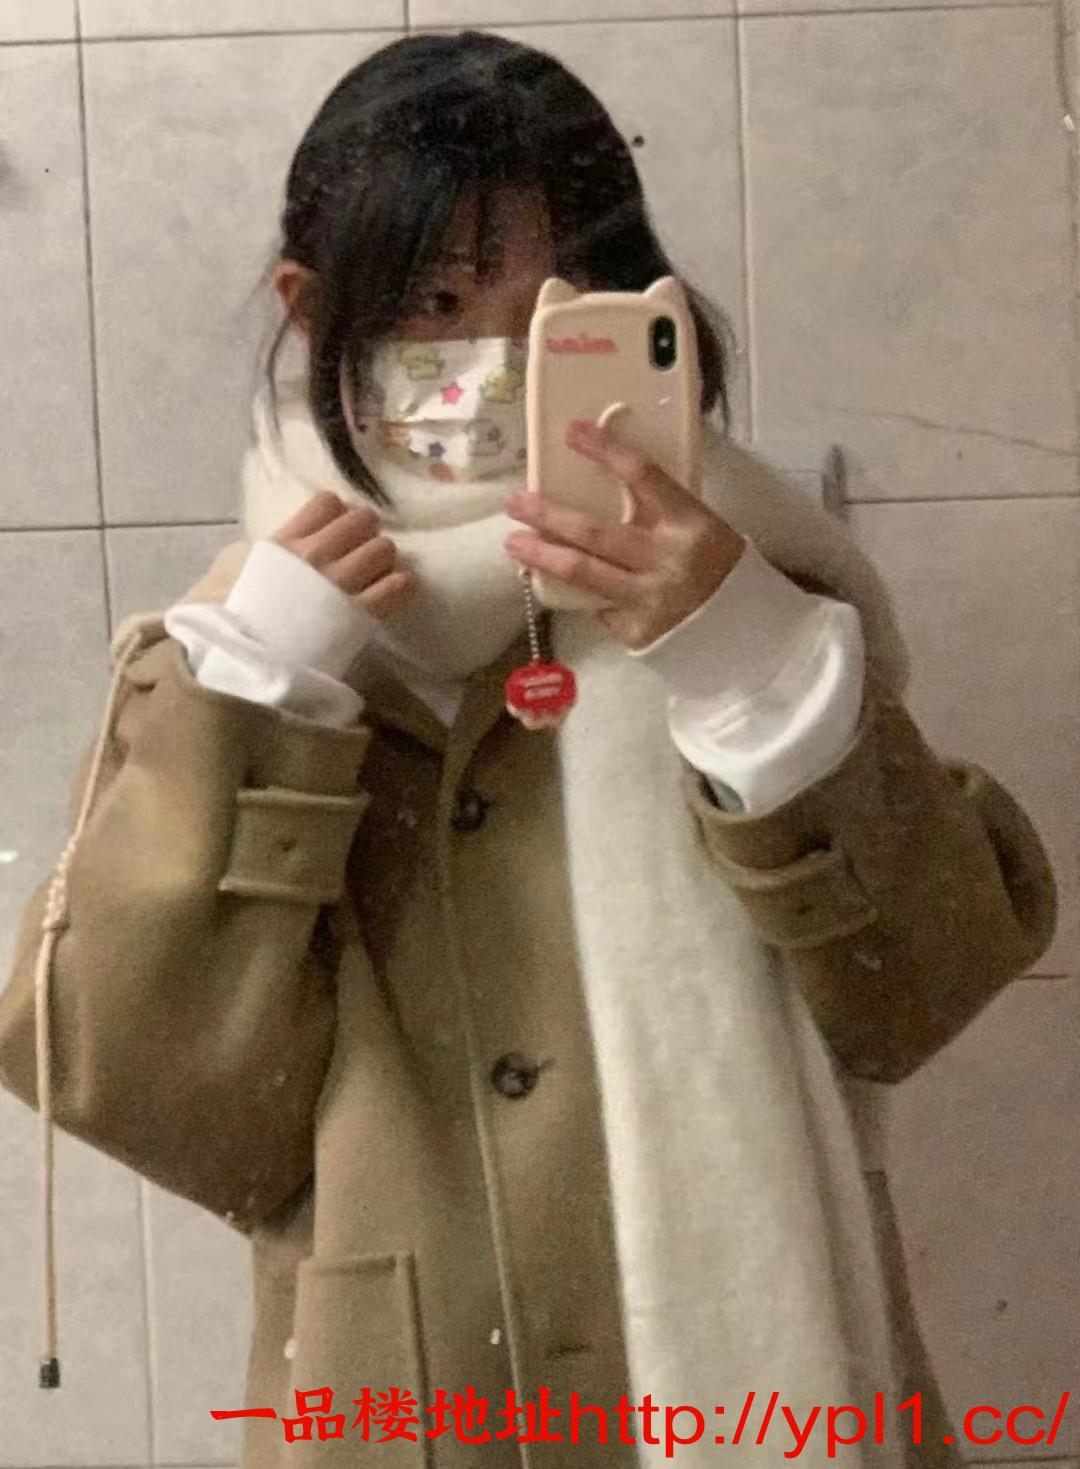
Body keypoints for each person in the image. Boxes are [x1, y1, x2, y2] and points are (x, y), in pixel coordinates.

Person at [0, 30, 1057, 1469]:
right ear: (315, 311)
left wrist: (757, 672)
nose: (499, 361)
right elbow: (141, 1085)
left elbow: (918, 994)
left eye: (561, 306)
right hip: (414, 1405)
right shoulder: (233, 658)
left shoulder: (759, 591)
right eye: (439, 302)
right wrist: (253, 696)